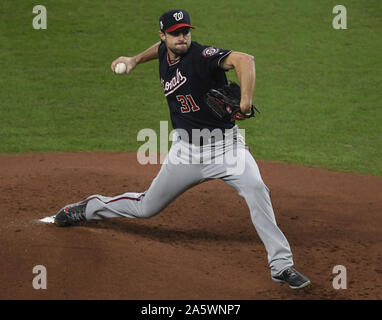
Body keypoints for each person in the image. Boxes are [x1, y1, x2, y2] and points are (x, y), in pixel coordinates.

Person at [54, 9, 310, 289]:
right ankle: (89, 208)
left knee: (257, 189)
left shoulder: (203, 56)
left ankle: (281, 265)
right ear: (163, 35)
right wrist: (136, 60)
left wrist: (246, 101)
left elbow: (244, 60)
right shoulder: (166, 52)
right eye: (175, 33)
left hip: (227, 149)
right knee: (146, 207)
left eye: (186, 31)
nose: (182, 37)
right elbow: (159, 51)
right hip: (185, 152)